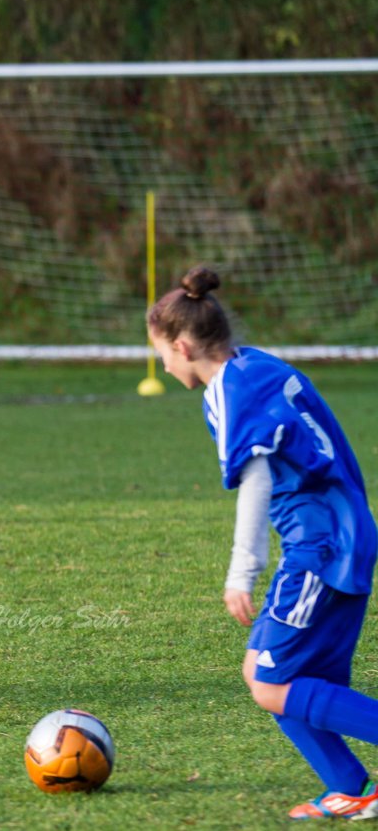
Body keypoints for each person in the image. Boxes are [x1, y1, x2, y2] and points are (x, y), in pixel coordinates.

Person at [148, 266, 378, 820]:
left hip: (320, 548)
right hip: (341, 535)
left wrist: (240, 571)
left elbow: (256, 480)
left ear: (183, 346)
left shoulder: (229, 392)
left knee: (272, 686)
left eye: (162, 355)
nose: (162, 365)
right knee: (263, 672)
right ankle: (351, 787)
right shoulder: (257, 365)